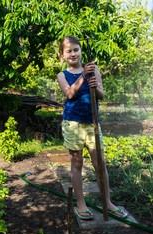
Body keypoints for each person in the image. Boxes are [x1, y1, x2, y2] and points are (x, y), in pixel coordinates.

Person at [57, 35, 128, 220]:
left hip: (92, 123)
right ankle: (81, 204)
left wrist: (94, 85)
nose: (73, 54)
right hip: (73, 123)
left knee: (100, 163)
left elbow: (101, 95)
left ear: (80, 51)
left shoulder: (93, 68)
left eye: (76, 49)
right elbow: (70, 94)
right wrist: (83, 77)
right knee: (77, 163)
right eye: (69, 51)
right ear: (62, 55)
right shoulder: (62, 75)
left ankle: (108, 202)